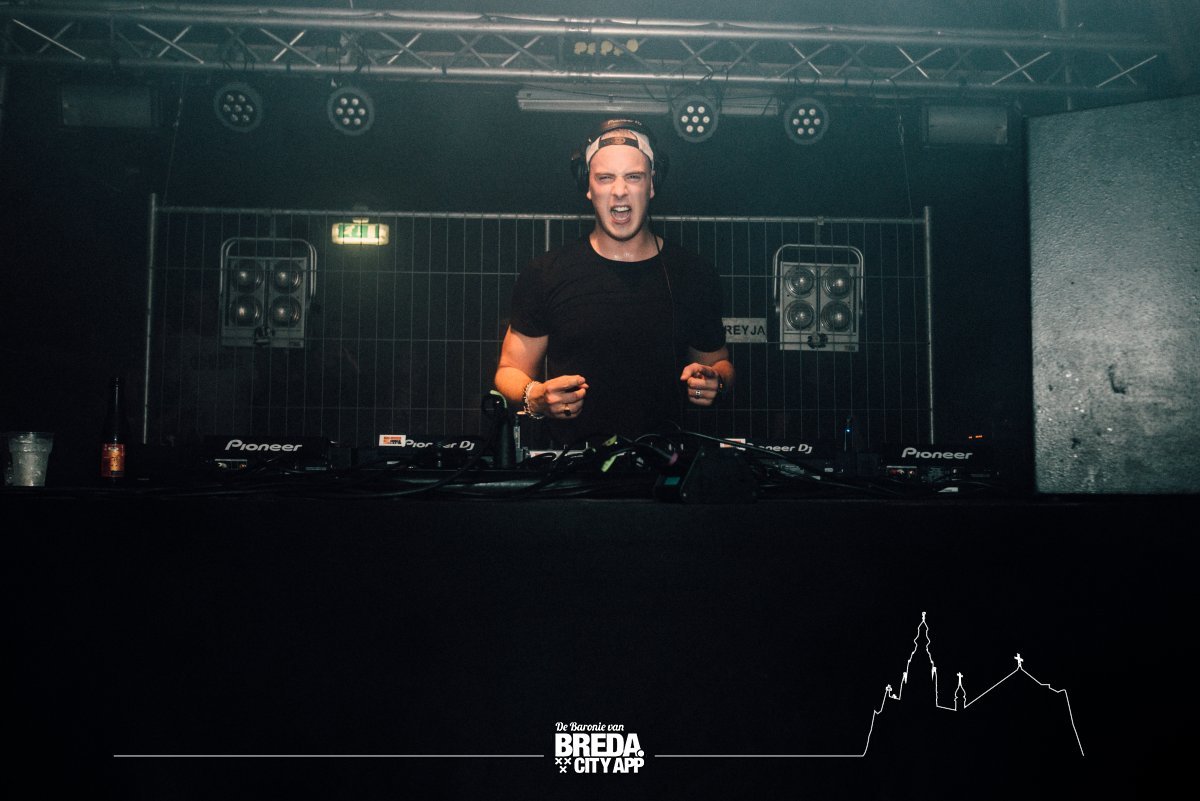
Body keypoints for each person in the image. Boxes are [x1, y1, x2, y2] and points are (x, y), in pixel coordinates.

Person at [494, 119, 734, 445]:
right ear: (588, 187)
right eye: (605, 178)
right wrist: (534, 396)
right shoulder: (546, 274)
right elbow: (509, 369)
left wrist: (716, 381)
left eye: (633, 177)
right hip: (575, 466)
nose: (620, 191)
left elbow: (719, 364)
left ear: (651, 185)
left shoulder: (694, 274)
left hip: (667, 465)